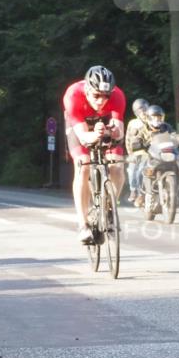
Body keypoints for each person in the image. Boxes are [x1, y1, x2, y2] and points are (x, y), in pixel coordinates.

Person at [63, 66, 127, 243]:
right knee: (82, 166)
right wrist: (96, 134)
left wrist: (113, 132)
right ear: (87, 90)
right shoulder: (73, 95)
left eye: (106, 96)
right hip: (80, 125)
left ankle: (109, 208)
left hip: (104, 123)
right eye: (97, 95)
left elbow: (120, 131)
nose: (102, 101)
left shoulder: (118, 96)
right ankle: (83, 224)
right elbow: (84, 138)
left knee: (117, 165)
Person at [125, 98, 149, 205]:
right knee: (132, 171)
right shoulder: (133, 123)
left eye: (145, 108)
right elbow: (128, 139)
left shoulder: (153, 120)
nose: (143, 111)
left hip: (149, 152)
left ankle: (142, 193)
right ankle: (133, 190)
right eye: (140, 110)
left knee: (141, 171)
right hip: (136, 152)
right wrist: (130, 153)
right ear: (136, 112)